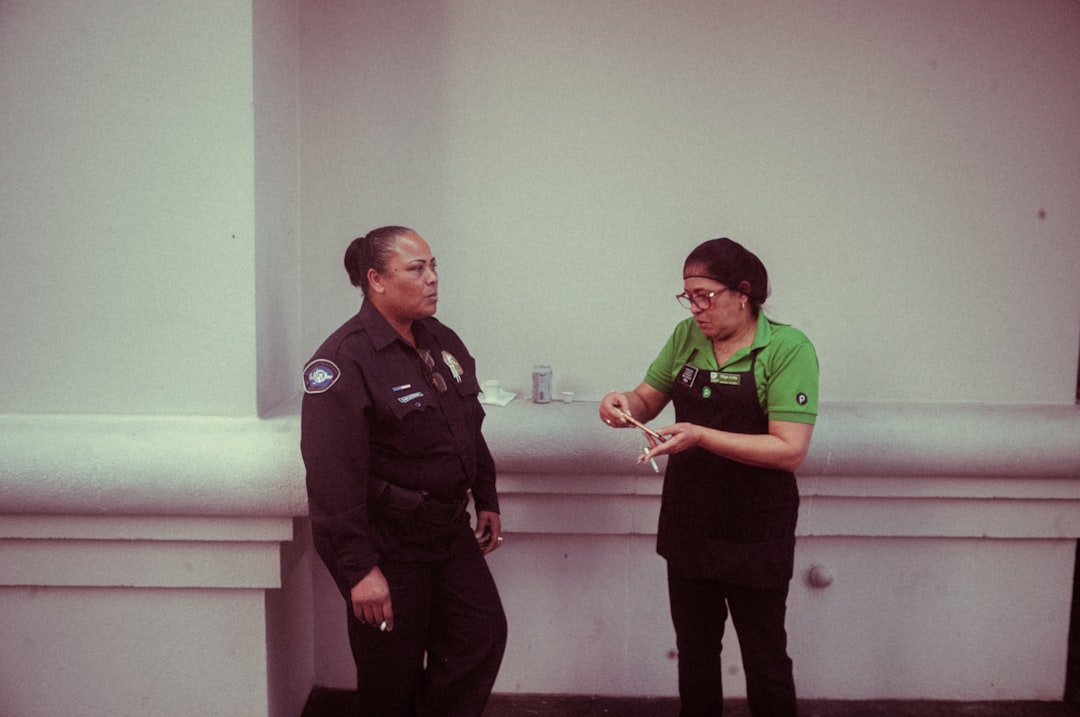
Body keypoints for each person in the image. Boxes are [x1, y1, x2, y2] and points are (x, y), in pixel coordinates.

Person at [599, 237, 818, 717]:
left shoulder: (787, 348)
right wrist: (620, 405)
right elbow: (646, 399)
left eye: (706, 296)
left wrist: (700, 434)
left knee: (764, 656)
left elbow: (789, 450)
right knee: (695, 652)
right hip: (690, 521)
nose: (696, 308)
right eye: (689, 297)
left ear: (743, 292)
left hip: (755, 528)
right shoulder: (687, 336)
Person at [300, 226, 507, 717]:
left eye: (433, 267)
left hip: (449, 533)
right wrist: (358, 569)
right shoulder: (342, 361)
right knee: (390, 679)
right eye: (417, 269)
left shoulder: (441, 340)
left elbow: (468, 425)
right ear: (376, 279)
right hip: (388, 545)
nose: (432, 279)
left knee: (481, 636)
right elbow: (331, 479)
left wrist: (487, 495)